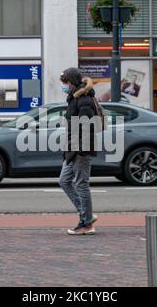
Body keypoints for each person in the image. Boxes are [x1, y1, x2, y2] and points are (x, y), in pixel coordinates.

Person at [58, 67, 99, 235]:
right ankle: (87, 214)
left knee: (81, 184)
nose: (65, 86)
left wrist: (80, 150)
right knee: (64, 180)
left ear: (73, 82)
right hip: (72, 147)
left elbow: (88, 127)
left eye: (66, 82)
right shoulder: (74, 98)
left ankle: (86, 224)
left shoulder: (84, 100)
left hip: (81, 149)